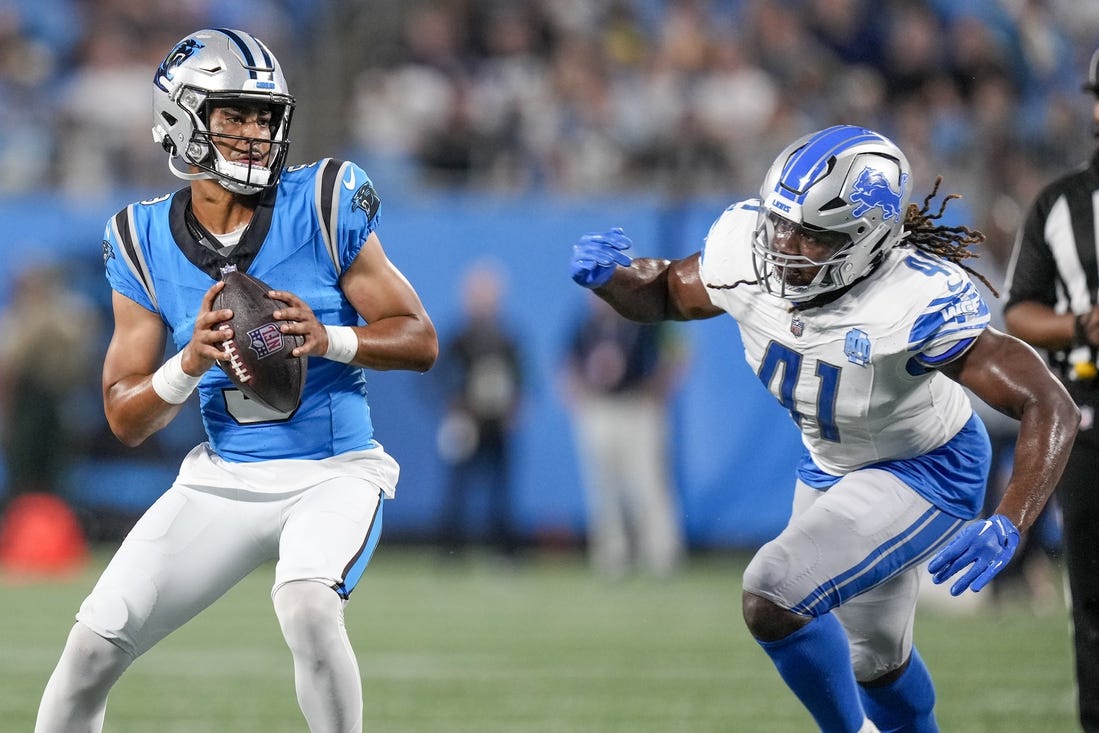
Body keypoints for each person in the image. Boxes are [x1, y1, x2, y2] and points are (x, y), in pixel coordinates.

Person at [568, 124, 1079, 732]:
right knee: (877, 663)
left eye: (811, 236)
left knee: (772, 592)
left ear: (867, 241)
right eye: (780, 222)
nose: (784, 244)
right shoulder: (748, 253)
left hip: (926, 468)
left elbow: (1051, 405)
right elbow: (666, 294)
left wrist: (1010, 521)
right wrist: (614, 280)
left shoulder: (912, 299)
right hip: (831, 466)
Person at [34, 28, 438, 733]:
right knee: (91, 646)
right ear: (183, 118)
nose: (255, 134)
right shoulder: (139, 237)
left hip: (332, 470)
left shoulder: (322, 200)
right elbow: (125, 417)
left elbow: (420, 338)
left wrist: (332, 337)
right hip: (221, 477)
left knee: (308, 604)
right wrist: (187, 363)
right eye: (234, 116)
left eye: (264, 117)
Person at [1001, 47, 1099, 733]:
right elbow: (1019, 310)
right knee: (1092, 593)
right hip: (1089, 408)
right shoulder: (1059, 204)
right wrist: (1082, 322)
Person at [562, 292, 685, 579]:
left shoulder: (647, 320)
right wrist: (577, 396)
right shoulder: (585, 325)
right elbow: (567, 362)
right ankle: (612, 559)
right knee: (603, 486)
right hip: (599, 407)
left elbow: (679, 352)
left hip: (637, 405)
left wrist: (660, 389)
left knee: (647, 484)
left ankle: (661, 556)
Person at [434, 260, 524, 563]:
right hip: (467, 423)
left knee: (500, 490)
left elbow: (521, 378)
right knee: (458, 489)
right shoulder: (459, 338)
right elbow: (437, 375)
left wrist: (515, 407)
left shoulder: (507, 338)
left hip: (497, 424)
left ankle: (502, 552)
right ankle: (452, 552)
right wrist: (453, 405)